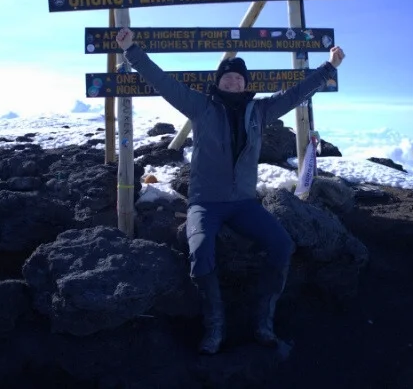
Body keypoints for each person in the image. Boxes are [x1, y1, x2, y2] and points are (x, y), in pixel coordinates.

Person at [115, 27, 345, 354]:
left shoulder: (260, 111)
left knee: (282, 244)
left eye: (238, 78)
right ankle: (215, 325)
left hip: (244, 205)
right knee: (200, 250)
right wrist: (132, 51)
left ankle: (263, 321)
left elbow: (295, 94)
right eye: (227, 77)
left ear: (245, 84)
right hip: (205, 204)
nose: (233, 82)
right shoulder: (201, 107)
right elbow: (163, 83)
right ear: (218, 82)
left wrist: (329, 67)